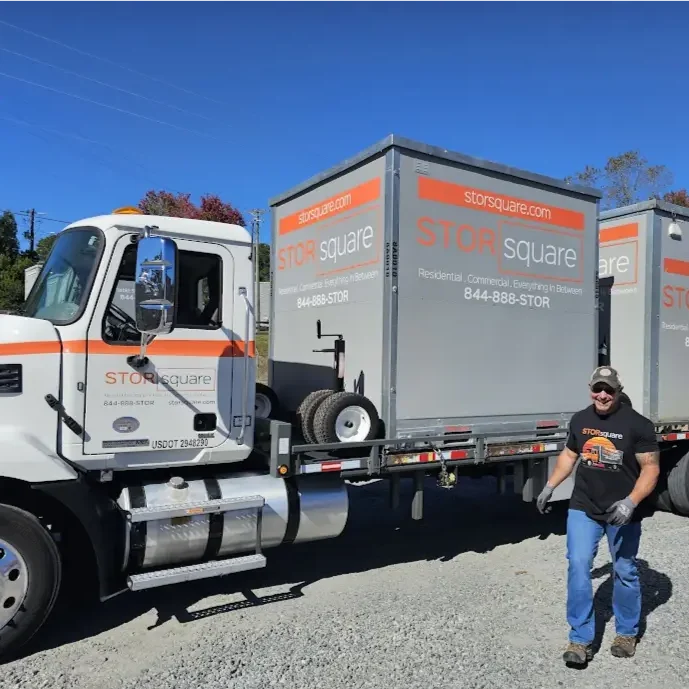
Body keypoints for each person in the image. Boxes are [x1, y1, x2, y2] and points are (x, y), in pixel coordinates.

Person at [536, 366, 660, 666]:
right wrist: (550, 485)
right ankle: (580, 640)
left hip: (623, 511)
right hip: (584, 506)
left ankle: (626, 633)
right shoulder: (581, 419)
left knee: (625, 569)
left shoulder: (638, 425)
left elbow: (651, 468)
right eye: (597, 389)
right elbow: (569, 454)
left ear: (618, 391)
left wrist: (630, 503)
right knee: (578, 566)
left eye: (609, 390)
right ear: (590, 388)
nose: (602, 395)